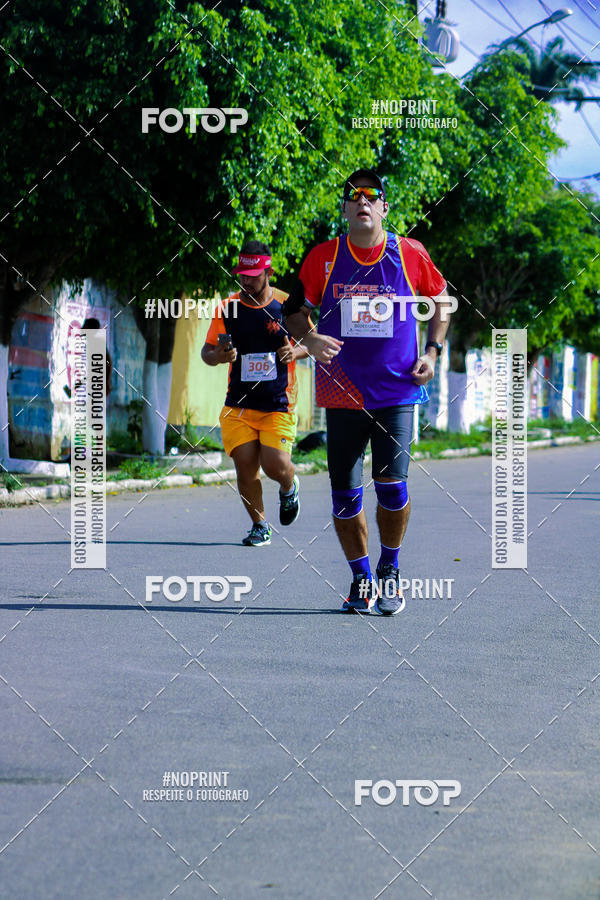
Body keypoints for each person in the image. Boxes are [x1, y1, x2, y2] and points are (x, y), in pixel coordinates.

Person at [284, 169, 453, 614]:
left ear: (383, 207)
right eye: (353, 195)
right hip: (341, 394)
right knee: (345, 495)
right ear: (344, 209)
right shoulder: (323, 257)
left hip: (397, 391)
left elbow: (441, 300)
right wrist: (310, 338)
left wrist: (432, 352)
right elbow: (293, 311)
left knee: (392, 486)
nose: (362, 201)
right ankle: (361, 578)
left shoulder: (409, 253)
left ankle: (389, 569)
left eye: (371, 195)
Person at [202, 240, 306, 546]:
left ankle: (289, 486)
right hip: (239, 404)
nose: (245, 282)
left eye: (252, 276)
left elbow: (312, 342)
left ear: (268, 273)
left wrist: (295, 352)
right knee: (245, 465)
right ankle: (260, 525)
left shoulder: (288, 305)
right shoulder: (228, 308)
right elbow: (207, 352)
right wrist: (219, 356)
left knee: (274, 464)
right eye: (242, 276)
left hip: (277, 403)